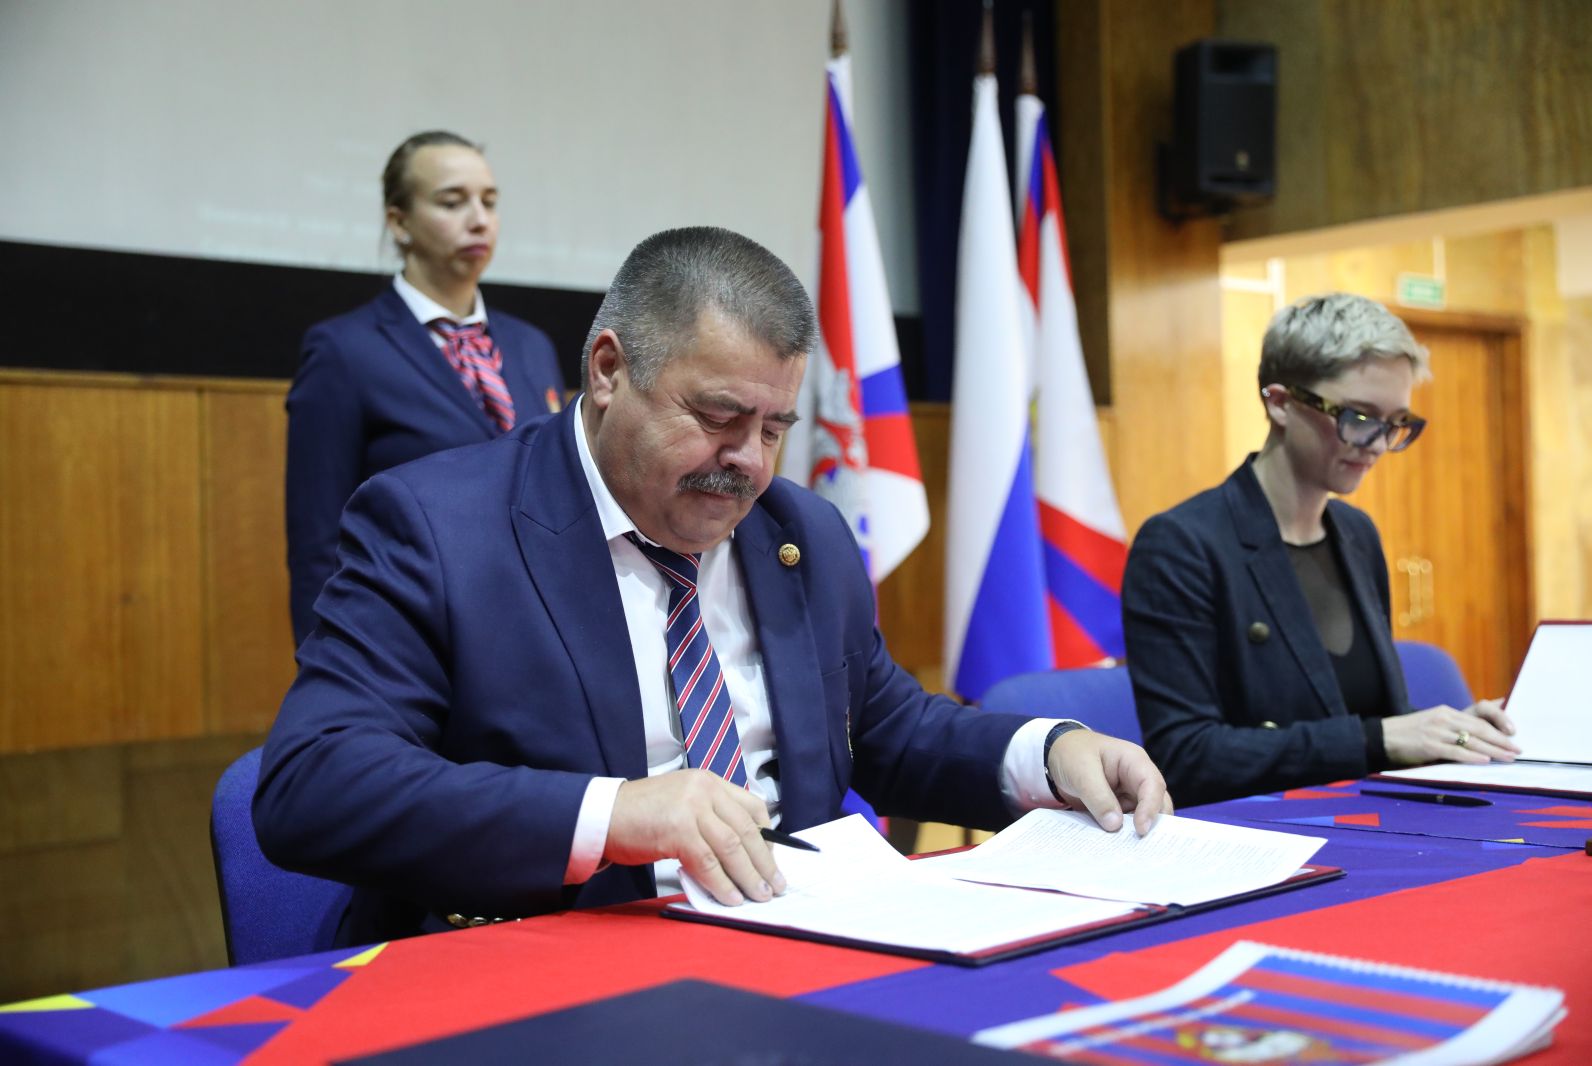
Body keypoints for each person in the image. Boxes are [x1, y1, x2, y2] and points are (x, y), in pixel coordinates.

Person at [257, 226, 1170, 946]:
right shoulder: (438, 526)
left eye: (774, 428)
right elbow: (314, 782)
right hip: (546, 964)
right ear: (608, 371)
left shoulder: (800, 533)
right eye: (718, 416)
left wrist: (1049, 753)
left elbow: (886, 727)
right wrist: (614, 813)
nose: (749, 463)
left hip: (797, 948)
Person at [1122, 293, 1518, 806]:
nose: (1378, 443)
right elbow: (1186, 756)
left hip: (1363, 816)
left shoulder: (1356, 533)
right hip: (1255, 832)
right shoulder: (1181, 545)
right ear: (1280, 403)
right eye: (1358, 416)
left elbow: (1360, 716)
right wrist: (1383, 738)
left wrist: (1450, 733)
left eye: (1395, 422)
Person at [284, 130, 565, 645]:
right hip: (406, 630)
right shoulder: (345, 350)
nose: (479, 219)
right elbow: (317, 538)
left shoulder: (531, 347)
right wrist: (327, 660)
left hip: (534, 631)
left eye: (489, 201)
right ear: (400, 222)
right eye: (452, 202)